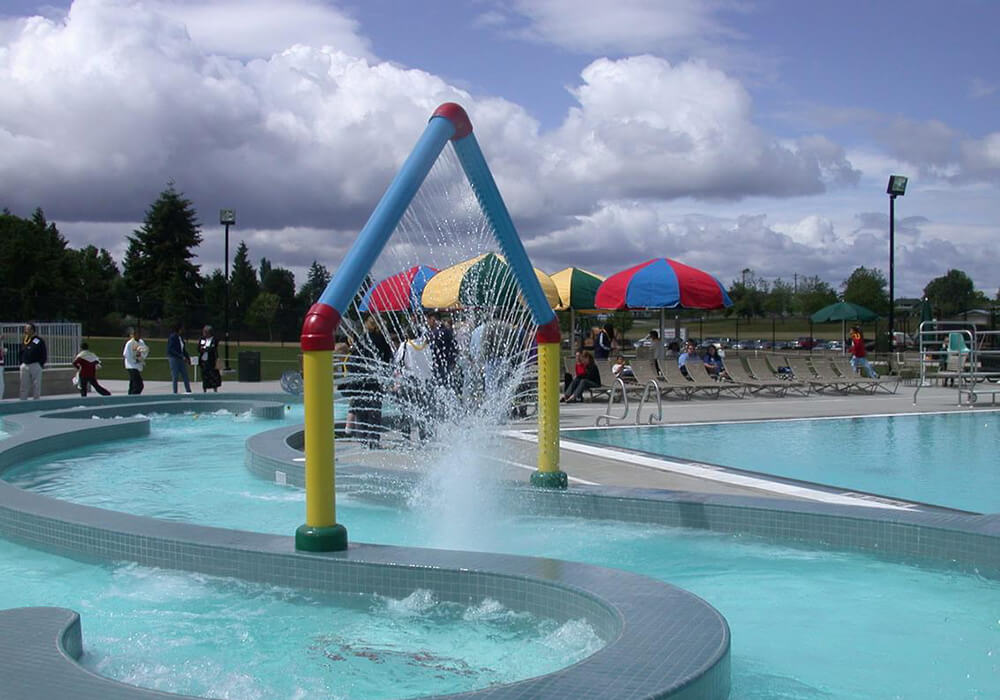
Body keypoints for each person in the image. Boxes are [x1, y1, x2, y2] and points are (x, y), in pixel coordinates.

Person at [393, 328, 434, 441]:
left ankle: (406, 436)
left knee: (406, 409)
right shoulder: (426, 346)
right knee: (423, 409)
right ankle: (424, 436)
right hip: (424, 382)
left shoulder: (405, 345)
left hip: (409, 381)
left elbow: (398, 361)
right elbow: (431, 363)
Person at [426, 311, 457, 390]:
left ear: (433, 319)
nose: (427, 323)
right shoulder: (447, 330)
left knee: (442, 387)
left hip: (441, 366)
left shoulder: (436, 333)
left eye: (428, 320)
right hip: (449, 363)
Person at [19, 323, 47, 400]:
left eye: (27, 329)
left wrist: (40, 364)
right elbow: (21, 352)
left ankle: (36, 401)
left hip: (35, 365)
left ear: (32, 330)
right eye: (25, 329)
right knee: (23, 385)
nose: (25, 330)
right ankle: (23, 401)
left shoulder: (39, 340)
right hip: (25, 365)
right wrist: (21, 362)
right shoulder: (25, 340)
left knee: (36, 385)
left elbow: (44, 353)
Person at [166, 324, 192, 394]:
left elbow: (183, 349)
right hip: (174, 358)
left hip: (181, 358)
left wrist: (188, 358)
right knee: (175, 376)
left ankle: (188, 391)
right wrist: (181, 356)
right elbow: (170, 349)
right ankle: (175, 392)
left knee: (185, 375)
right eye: (182, 329)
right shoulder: (172, 337)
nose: (183, 330)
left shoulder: (180, 338)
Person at [123, 327, 148, 395]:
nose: (139, 336)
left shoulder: (141, 342)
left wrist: (141, 358)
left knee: (133, 383)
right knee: (139, 385)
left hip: (137, 365)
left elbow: (145, 351)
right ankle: (134, 396)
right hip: (131, 366)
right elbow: (126, 354)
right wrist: (135, 360)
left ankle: (130, 396)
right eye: (137, 334)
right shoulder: (130, 343)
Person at [198, 325, 222, 392]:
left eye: (205, 332)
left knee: (213, 375)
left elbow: (212, 348)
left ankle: (215, 389)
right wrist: (205, 348)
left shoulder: (214, 339)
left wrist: (205, 348)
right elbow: (200, 348)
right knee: (204, 376)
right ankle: (205, 389)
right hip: (204, 360)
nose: (203, 333)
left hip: (212, 360)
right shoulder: (202, 339)